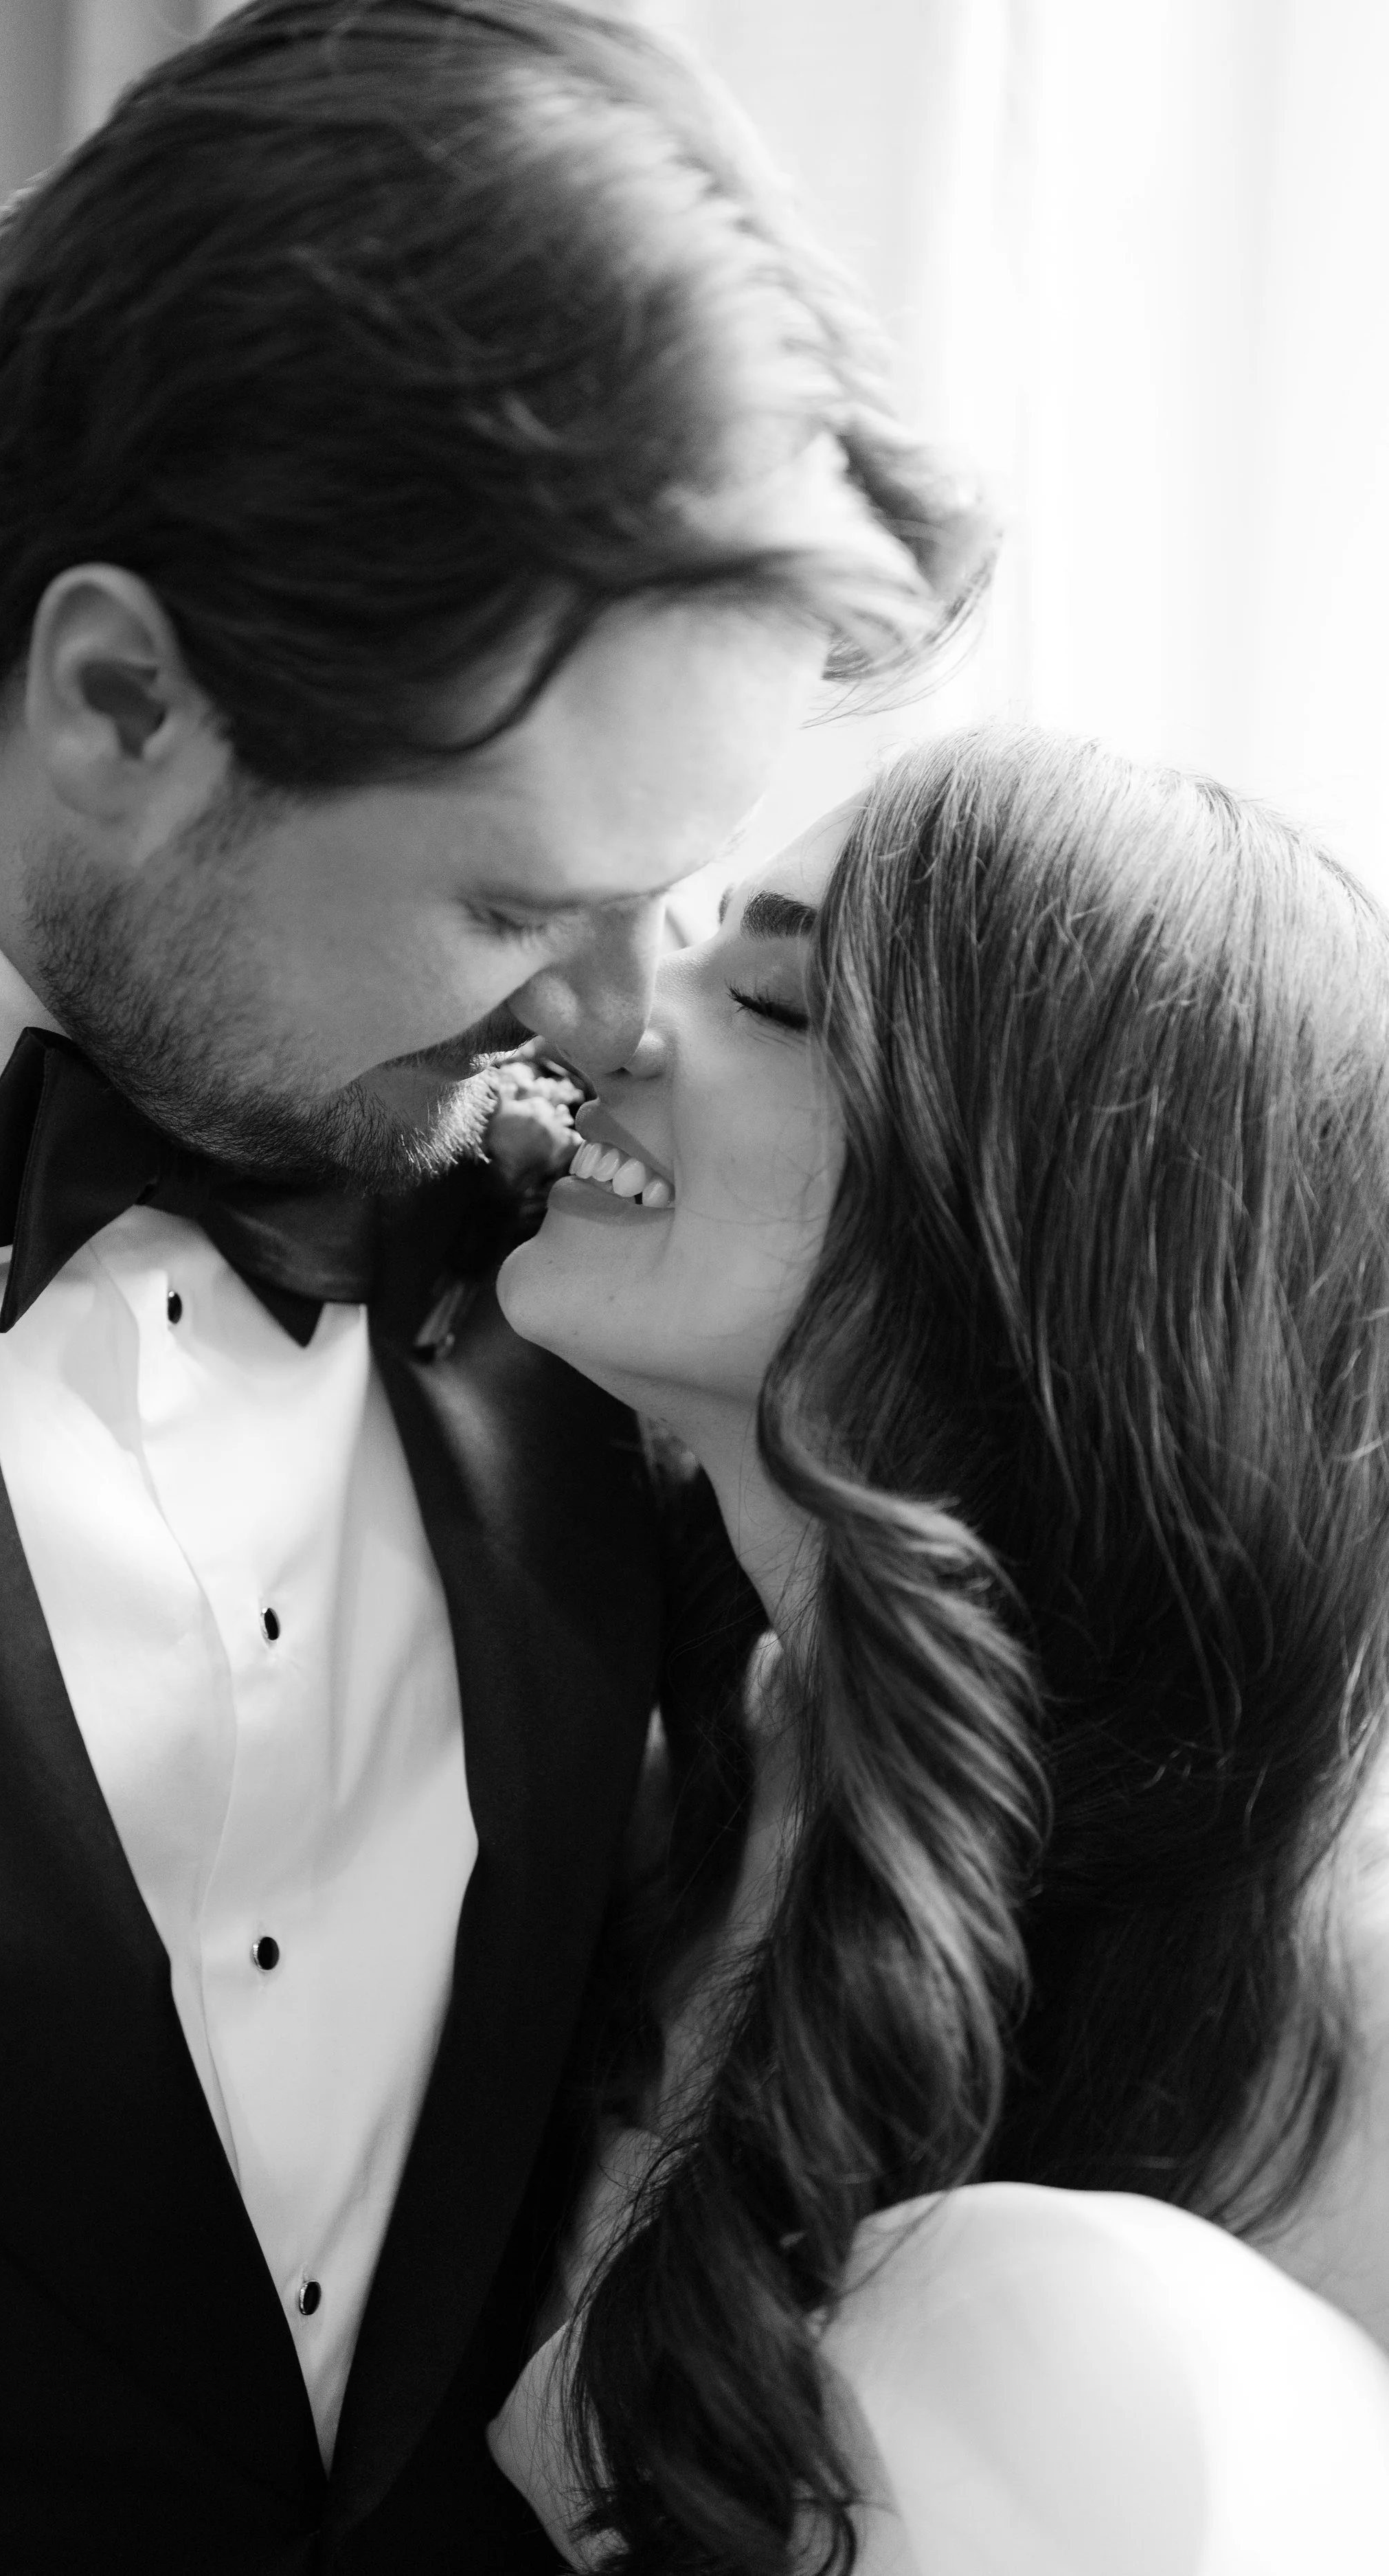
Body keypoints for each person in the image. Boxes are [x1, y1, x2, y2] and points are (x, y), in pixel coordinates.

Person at [0, 5, 990, 2568]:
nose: (628, 1026)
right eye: (518, 902)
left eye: (686, 896)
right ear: (121, 700)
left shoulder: (640, 1272)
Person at [489, 727, 1389, 2572]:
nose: (603, 1026)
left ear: (1036, 1219)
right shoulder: (676, 1751)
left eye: (763, 994)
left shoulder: (1330, 1996)